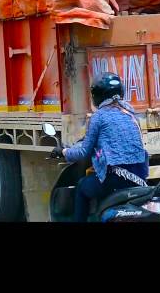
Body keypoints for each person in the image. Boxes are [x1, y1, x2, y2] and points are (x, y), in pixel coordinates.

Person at [54, 73, 149, 222]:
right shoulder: (130, 113)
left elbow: (83, 152)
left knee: (82, 187)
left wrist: (64, 151)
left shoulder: (99, 117)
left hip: (115, 179)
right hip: (139, 178)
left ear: (97, 95)